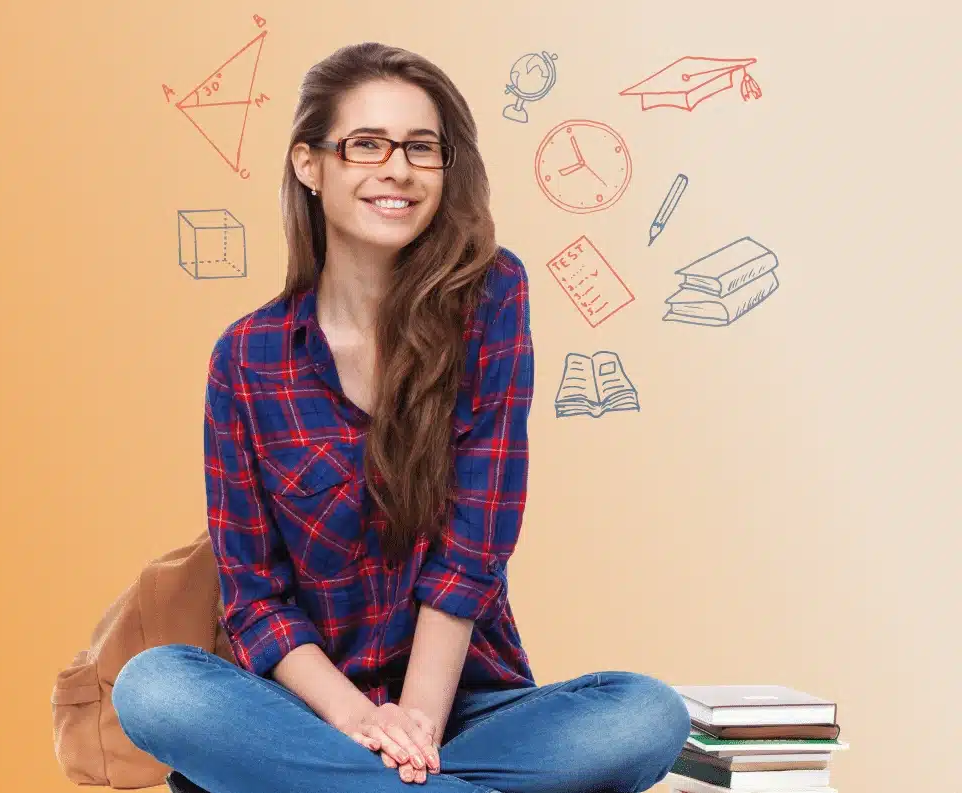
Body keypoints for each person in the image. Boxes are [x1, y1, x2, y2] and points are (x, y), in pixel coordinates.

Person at [110, 42, 691, 793]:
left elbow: (475, 544)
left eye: (423, 147)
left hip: (466, 710)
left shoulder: (491, 298)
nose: (398, 168)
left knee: (645, 715)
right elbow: (254, 597)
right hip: (311, 714)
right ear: (308, 165)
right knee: (155, 687)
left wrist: (413, 725)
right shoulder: (247, 359)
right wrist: (362, 724)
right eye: (366, 145)